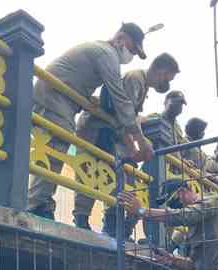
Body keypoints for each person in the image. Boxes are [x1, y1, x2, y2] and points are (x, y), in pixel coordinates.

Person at [28, 23, 154, 219]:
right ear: (120, 38)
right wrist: (140, 140)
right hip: (55, 98)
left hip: (60, 100)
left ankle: (40, 202)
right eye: (132, 49)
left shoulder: (104, 52)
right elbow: (120, 99)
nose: (131, 55)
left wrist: (88, 100)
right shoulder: (108, 54)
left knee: (54, 150)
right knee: (53, 150)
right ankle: (36, 204)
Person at [71, 52, 180, 232]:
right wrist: (136, 147)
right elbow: (124, 117)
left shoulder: (142, 85)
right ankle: (83, 218)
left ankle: (113, 224)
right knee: (90, 171)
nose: (168, 83)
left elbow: (130, 118)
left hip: (110, 133)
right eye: (169, 78)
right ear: (162, 72)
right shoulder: (135, 78)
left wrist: (134, 148)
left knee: (118, 177)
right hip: (97, 128)